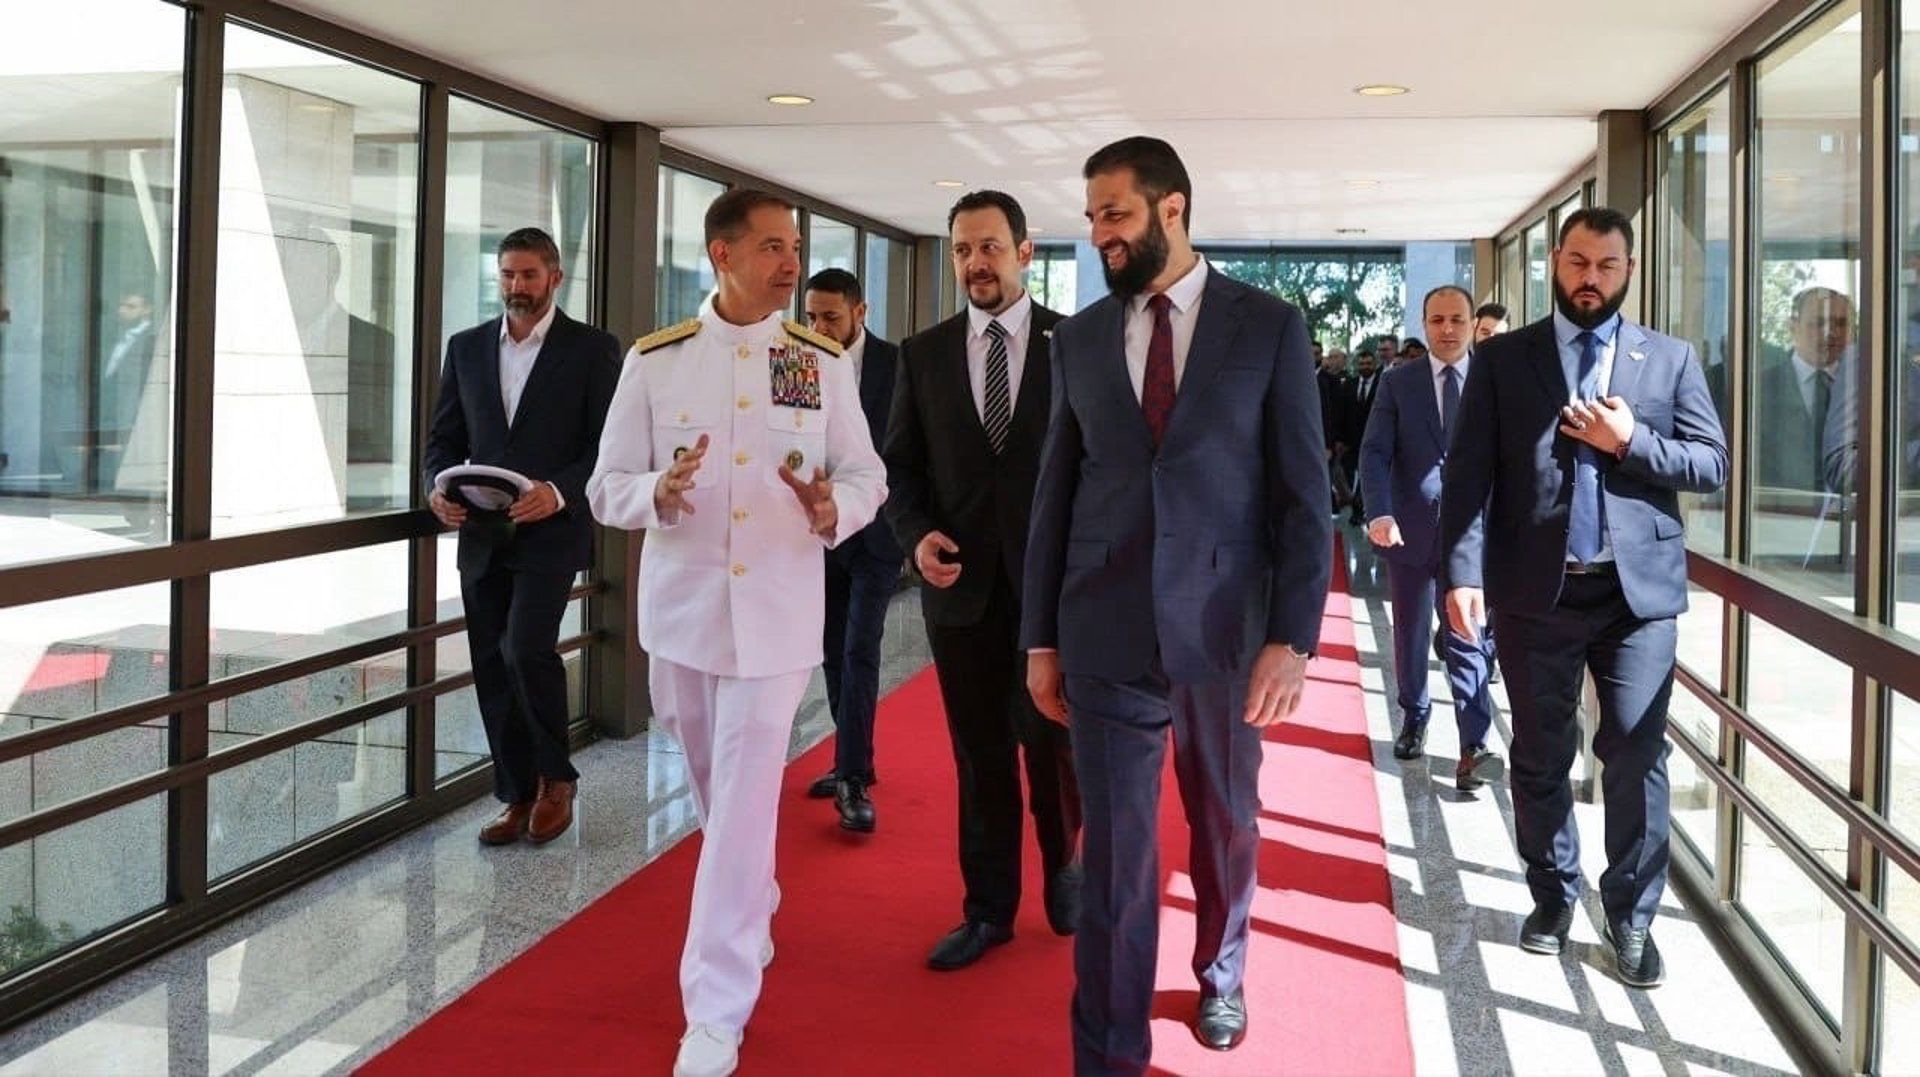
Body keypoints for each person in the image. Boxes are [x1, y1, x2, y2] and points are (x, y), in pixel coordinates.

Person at [1023, 137, 1331, 1075]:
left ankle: (1221, 968)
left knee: (1224, 820)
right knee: (1117, 856)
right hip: (1105, 630)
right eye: (1092, 218)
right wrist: (1040, 639)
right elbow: (1055, 494)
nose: (1099, 235)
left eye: (1114, 214)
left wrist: (1292, 638)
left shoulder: (1268, 327)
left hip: (1228, 634)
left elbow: (1303, 496)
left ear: (1172, 208)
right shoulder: (1077, 339)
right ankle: (1108, 1053)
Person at [586, 188, 886, 1077]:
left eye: (793, 246)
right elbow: (606, 485)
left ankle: (715, 1010)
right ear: (721, 254)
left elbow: (866, 473)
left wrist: (836, 506)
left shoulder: (817, 361)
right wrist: (656, 492)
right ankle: (752, 893)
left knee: (747, 801)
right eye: (770, 247)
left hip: (780, 619)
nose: (791, 262)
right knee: (717, 790)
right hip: (683, 616)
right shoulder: (658, 361)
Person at [1439, 207, 1727, 990]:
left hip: (1636, 598)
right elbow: (1468, 473)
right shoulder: (1504, 359)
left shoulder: (1668, 360)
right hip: (1537, 590)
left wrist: (1628, 441)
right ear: (1555, 264)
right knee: (1539, 752)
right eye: (1577, 262)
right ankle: (1553, 894)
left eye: (1606, 265)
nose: (1589, 278)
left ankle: (1631, 914)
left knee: (1635, 748)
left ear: (1629, 270)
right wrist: (1460, 575)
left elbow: (1711, 463)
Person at [884, 189, 1082, 971]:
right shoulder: (923, 354)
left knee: (1053, 745)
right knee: (979, 754)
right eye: (963, 249)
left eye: (990, 247)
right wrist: (914, 535)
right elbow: (901, 468)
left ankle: (1065, 865)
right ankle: (989, 909)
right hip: (960, 591)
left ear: (1025, 252)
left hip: (1053, 591)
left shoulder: (1075, 345)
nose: (975, 263)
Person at [423, 227, 619, 848]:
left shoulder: (592, 349)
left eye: (529, 274)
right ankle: (516, 792)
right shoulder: (466, 347)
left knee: (525, 649)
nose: (516, 285)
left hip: (552, 530)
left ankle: (557, 779)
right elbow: (444, 439)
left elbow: (607, 446)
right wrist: (434, 488)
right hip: (482, 532)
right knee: (490, 661)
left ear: (554, 278)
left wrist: (558, 491)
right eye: (508, 274)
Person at [1359, 286, 1502, 789]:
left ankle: (1473, 745)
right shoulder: (1398, 383)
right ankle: (1415, 714)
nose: (1447, 329)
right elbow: (1374, 452)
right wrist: (1380, 512)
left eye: (1457, 319)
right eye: (1437, 319)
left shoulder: (1493, 381)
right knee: (1412, 629)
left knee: (1467, 633)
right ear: (1424, 324)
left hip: (1472, 534)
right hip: (1410, 531)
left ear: (1471, 324)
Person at [801, 267, 903, 832]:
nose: (818, 328)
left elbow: (910, 451)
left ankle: (853, 777)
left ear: (860, 312)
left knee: (860, 647)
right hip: (818, 535)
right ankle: (852, 757)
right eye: (811, 317)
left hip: (879, 534)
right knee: (831, 650)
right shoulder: (796, 364)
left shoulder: (897, 365)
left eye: (830, 317)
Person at [1342, 347, 1385, 524]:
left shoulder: (1383, 384)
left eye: (1368, 363)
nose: (1365, 367)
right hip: (1351, 441)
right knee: (1348, 476)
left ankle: (1360, 511)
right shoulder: (1349, 384)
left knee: (1367, 477)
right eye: (1361, 364)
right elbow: (1342, 413)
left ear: (1375, 364)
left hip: (1374, 439)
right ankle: (1354, 506)